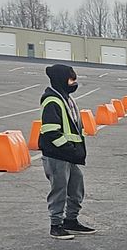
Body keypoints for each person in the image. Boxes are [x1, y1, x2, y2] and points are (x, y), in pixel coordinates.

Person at [37, 63, 94, 239]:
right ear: (61, 80)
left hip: (69, 155)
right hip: (57, 155)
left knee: (77, 187)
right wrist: (69, 149)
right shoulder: (52, 101)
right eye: (71, 79)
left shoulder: (66, 98)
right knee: (59, 189)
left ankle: (71, 220)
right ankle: (56, 224)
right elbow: (51, 132)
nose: (74, 82)